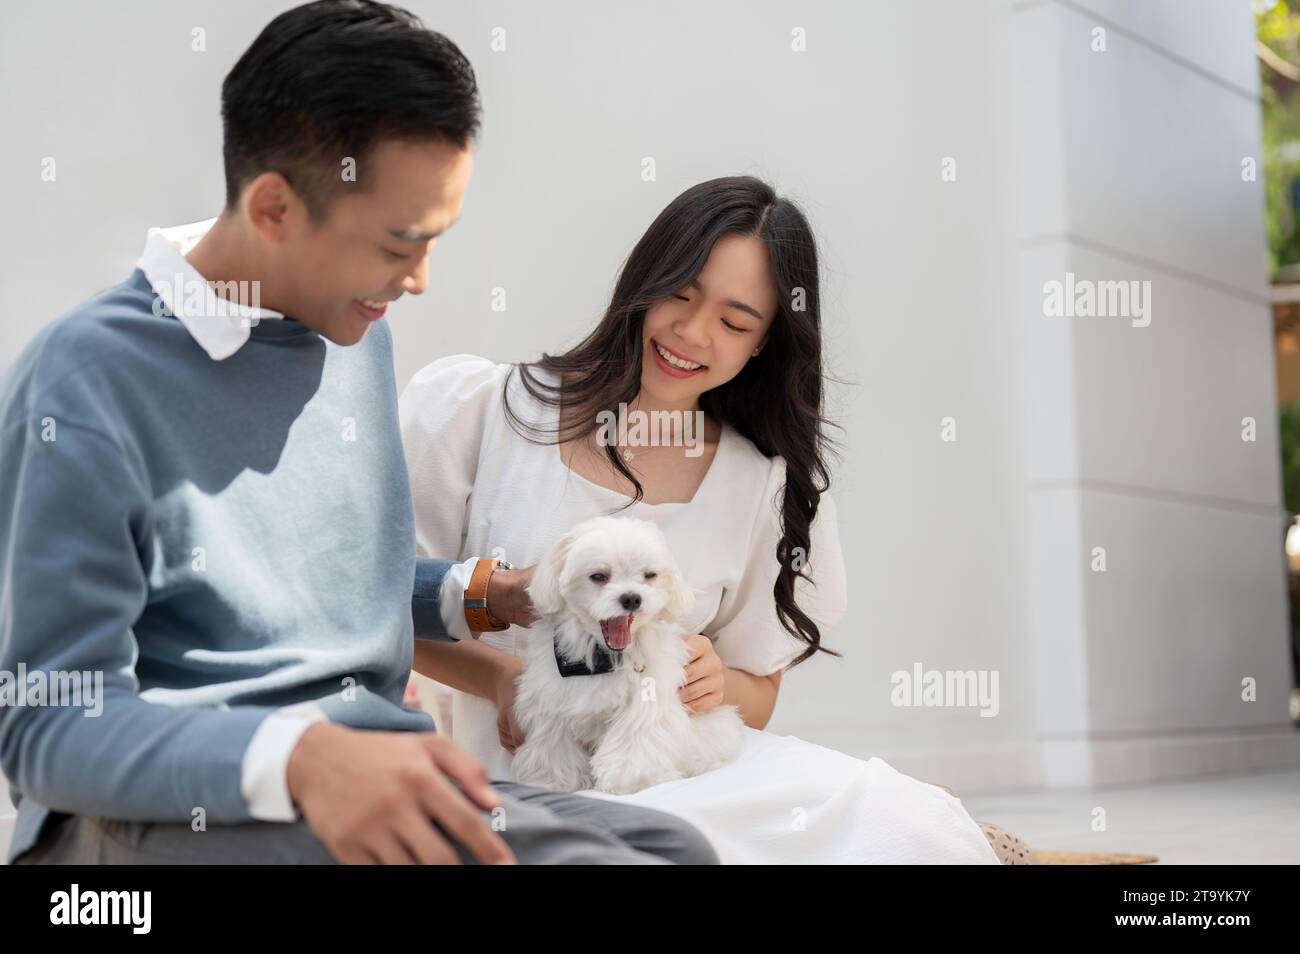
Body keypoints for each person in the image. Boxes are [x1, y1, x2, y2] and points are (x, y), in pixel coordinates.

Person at [0, 0, 717, 866]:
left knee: (670, 848)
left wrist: (488, 595)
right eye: (398, 243)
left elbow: (316, 588)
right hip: (150, 819)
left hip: (370, 765)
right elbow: (45, 724)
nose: (418, 279)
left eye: (435, 239)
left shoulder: (347, 325)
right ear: (273, 209)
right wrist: (300, 759)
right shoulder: (86, 382)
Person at [400, 175, 1003, 864]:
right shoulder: (486, 409)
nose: (692, 333)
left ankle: (957, 834)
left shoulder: (759, 484)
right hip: (536, 768)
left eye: (735, 322)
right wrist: (506, 681)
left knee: (903, 821)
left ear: (763, 344)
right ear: (644, 280)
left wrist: (719, 682)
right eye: (680, 295)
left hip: (677, 763)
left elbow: (757, 692)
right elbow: (383, 601)